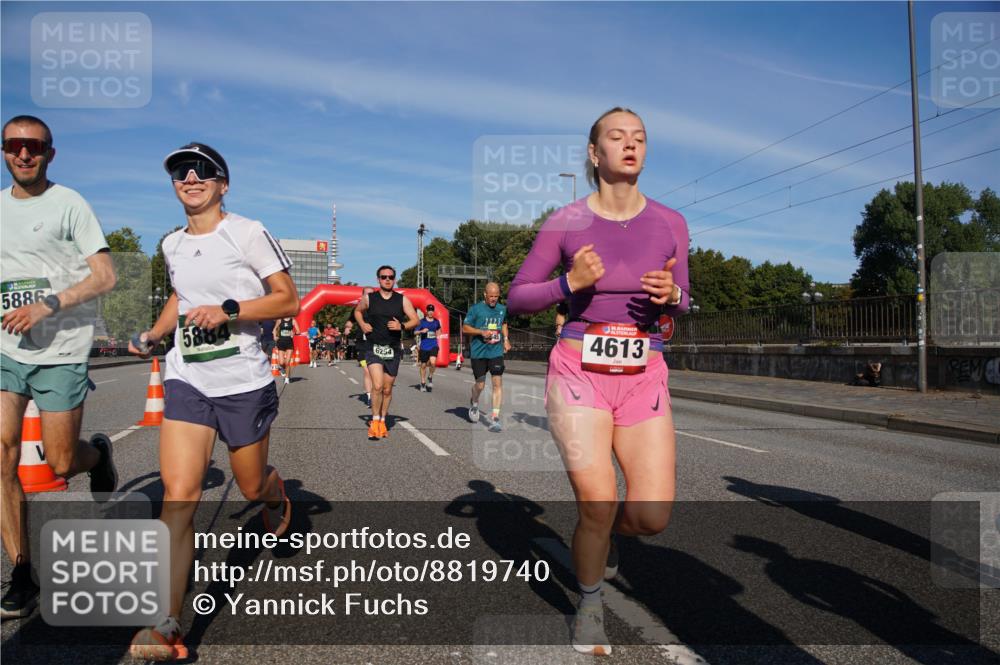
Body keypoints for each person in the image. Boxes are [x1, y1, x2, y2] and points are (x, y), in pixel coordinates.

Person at [507, 107, 689, 656]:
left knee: (651, 516)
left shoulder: (672, 222)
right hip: (579, 368)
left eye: (639, 138)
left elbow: (681, 307)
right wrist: (569, 282)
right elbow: (519, 297)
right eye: (617, 137)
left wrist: (673, 299)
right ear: (595, 153)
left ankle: (605, 542)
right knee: (598, 502)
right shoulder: (566, 222)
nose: (630, 145)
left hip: (643, 372)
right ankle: (589, 603)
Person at [127, 141, 298, 660]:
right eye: (181, 171)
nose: (191, 177)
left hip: (242, 380)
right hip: (188, 379)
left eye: (204, 171)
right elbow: (180, 295)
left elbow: (286, 298)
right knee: (179, 497)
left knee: (248, 482)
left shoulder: (246, 232)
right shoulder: (171, 244)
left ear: (223, 184)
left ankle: (274, 493)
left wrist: (229, 309)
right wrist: (157, 335)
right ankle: (166, 624)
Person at [0, 115, 119, 619]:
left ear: (50, 153)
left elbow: (106, 276)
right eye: (13, 146)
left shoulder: (70, 203)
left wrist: (48, 305)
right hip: (6, 349)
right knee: (2, 458)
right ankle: (21, 573)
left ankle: (97, 456)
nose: (23, 154)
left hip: (61, 348)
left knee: (59, 462)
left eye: (34, 147)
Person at [354, 267, 418, 439]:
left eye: (390, 277)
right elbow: (357, 311)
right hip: (374, 347)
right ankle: (374, 422)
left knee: (387, 390)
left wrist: (402, 326)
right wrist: (362, 324)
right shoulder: (370, 298)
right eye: (384, 277)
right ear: (378, 280)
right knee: (377, 386)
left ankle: (382, 420)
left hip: (393, 349)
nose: (387, 280)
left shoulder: (402, 300)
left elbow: (415, 319)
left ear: (394, 280)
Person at [463, 283, 511, 432]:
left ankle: (495, 419)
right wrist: (480, 332)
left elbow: (503, 323)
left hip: (495, 351)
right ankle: (475, 403)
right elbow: (465, 328)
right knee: (480, 385)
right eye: (491, 296)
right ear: (485, 294)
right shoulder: (476, 309)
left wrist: (506, 339)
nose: (494, 299)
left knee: (497, 383)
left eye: (496, 296)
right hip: (479, 352)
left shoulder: (502, 309)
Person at [414, 304, 442, 392]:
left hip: (434, 345)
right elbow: (415, 332)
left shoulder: (436, 321)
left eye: (432, 310)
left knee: (433, 363)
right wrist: (422, 331)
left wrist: (439, 333)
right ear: (426, 311)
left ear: (433, 311)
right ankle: (423, 383)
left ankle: (430, 377)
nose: (430, 312)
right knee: (423, 365)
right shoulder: (422, 321)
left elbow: (439, 330)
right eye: (429, 310)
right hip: (424, 346)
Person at [354, 290, 374, 405]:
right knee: (367, 372)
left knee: (376, 374)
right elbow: (352, 317)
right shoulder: (359, 309)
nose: (369, 295)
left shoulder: (379, 309)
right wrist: (349, 325)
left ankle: (375, 394)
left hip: (376, 346)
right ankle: (369, 397)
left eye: (371, 293)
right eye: (366, 293)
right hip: (363, 346)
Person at [272, 315, 298, 384]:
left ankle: (287, 378)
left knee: (287, 362)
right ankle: (282, 369)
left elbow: (298, 331)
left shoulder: (293, 321)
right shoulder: (280, 320)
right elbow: (274, 329)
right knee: (281, 362)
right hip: (281, 342)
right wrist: (274, 336)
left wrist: (294, 332)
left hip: (289, 343)